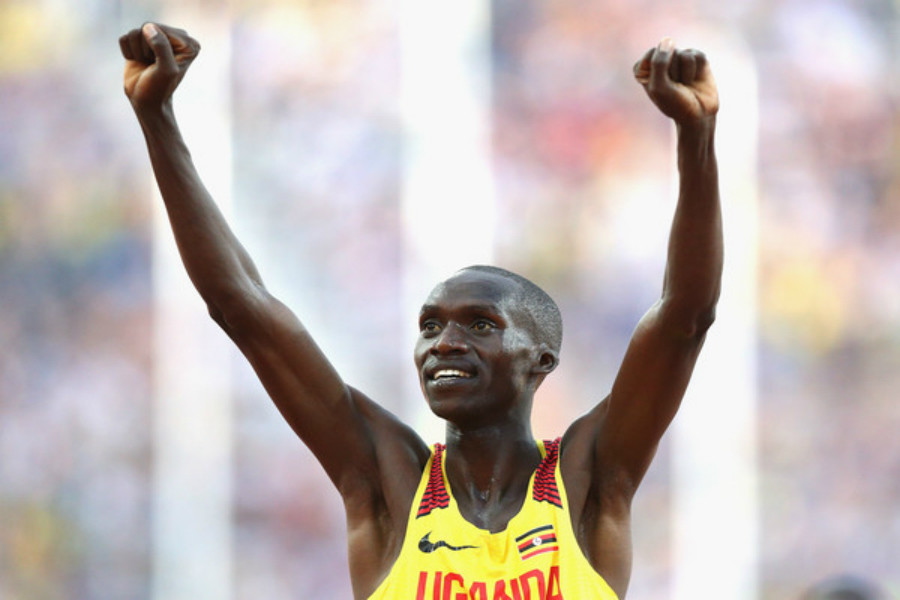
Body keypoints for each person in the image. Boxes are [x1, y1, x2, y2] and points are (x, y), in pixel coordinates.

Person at [119, 22, 720, 599]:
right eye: (430, 326)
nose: (444, 343)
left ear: (541, 360)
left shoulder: (587, 481)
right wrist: (157, 117)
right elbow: (241, 307)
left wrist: (696, 137)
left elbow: (685, 319)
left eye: (480, 324)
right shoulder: (388, 481)